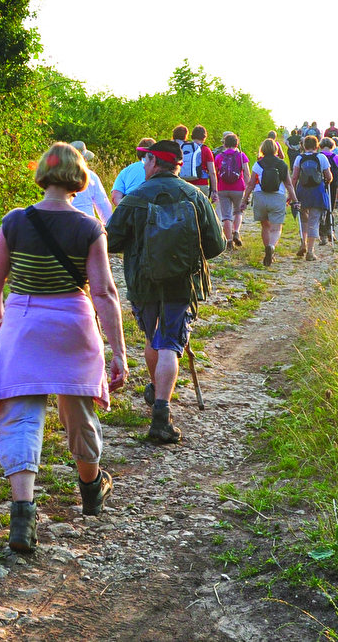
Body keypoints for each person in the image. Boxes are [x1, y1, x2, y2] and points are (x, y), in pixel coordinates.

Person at [0, 143, 128, 553]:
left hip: (24, 321)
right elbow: (105, 294)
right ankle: (91, 488)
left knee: (20, 413)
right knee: (79, 410)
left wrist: (2, 319)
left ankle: (22, 516)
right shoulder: (90, 227)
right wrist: (119, 352)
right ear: (80, 179)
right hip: (73, 322)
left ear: (42, 174)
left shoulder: (15, 221)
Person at [106, 140, 226, 445]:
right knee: (170, 343)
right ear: (177, 166)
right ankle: (161, 414)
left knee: (153, 339)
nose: (144, 166)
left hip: (143, 282)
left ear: (153, 163)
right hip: (182, 282)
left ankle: (156, 392)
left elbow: (112, 241)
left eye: (146, 162)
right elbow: (216, 245)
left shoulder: (134, 198)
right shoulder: (195, 195)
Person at [250, 138, 298, 266]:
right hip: (277, 197)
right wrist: (295, 200)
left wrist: (245, 200)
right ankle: (271, 246)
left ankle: (267, 252)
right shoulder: (282, 164)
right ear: (276, 149)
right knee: (276, 228)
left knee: (265, 226)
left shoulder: (258, 164)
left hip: (260, 196)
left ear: (263, 149)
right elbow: (288, 184)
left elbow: (250, 184)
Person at [292, 135, 333, 261]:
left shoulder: (299, 158)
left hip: (302, 191)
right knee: (314, 221)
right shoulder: (322, 157)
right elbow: (329, 176)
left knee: (304, 219)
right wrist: (328, 180)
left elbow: (295, 177)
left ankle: (303, 243)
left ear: (304, 146)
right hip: (317, 192)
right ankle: (310, 251)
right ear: (317, 146)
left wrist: (291, 193)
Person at [214, 131, 252, 249]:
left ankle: (229, 241)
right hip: (238, 188)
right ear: (237, 144)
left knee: (226, 216)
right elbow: (246, 173)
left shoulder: (219, 156)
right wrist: (248, 189)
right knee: (238, 212)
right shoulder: (241, 156)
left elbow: (215, 173)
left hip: (223, 188)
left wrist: (214, 189)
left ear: (224, 144)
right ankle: (236, 232)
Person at [68, 141, 113, 222]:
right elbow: (102, 204)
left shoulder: (60, 176)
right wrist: (108, 224)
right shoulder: (91, 176)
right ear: (84, 159)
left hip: (65, 221)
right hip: (87, 221)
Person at [109, 137, 155, 209]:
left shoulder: (125, 171)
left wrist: (127, 208)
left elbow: (115, 198)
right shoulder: (157, 169)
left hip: (128, 205)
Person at [177, 125, 218, 206]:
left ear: (192, 135)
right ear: (204, 137)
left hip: (185, 184)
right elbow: (212, 172)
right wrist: (214, 190)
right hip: (202, 184)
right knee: (202, 211)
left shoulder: (184, 147)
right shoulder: (206, 150)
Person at [319, 138, 338, 244]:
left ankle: (322, 235)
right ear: (332, 145)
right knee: (330, 208)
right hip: (333, 185)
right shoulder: (336, 157)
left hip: (319, 186)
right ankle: (330, 231)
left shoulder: (318, 157)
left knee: (320, 210)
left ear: (321, 145)